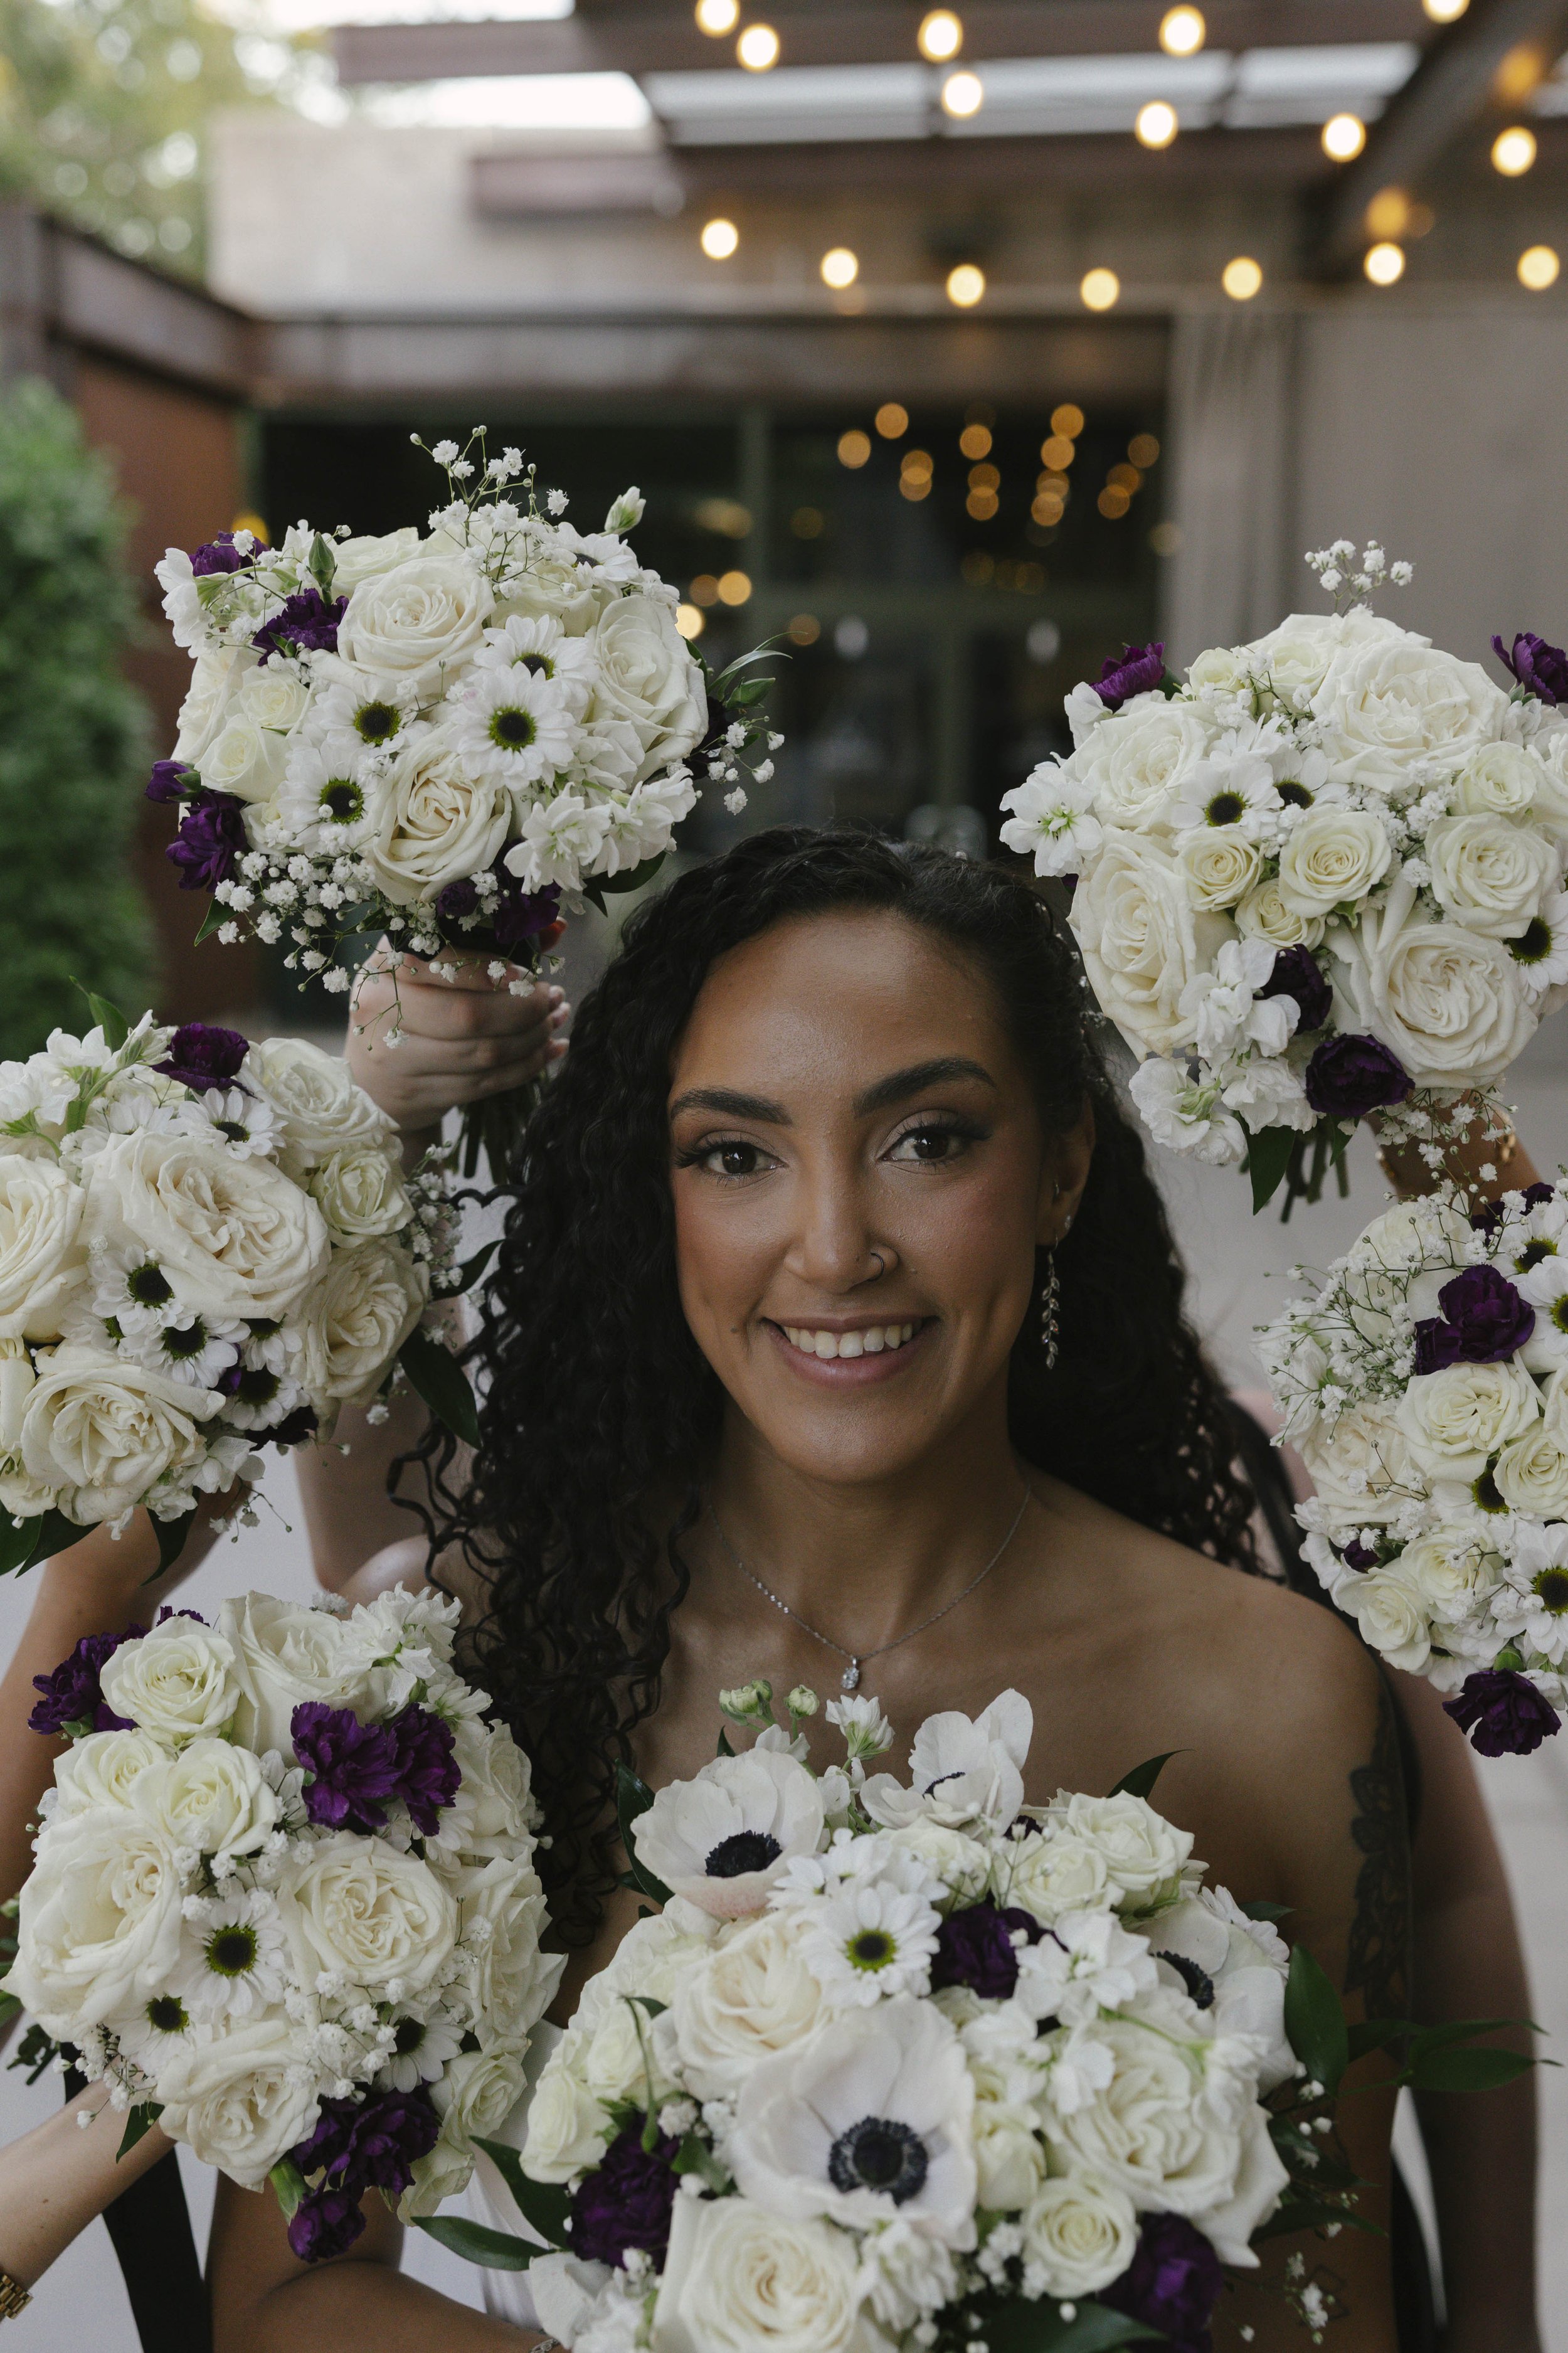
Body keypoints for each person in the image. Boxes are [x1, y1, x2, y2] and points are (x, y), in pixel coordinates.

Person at [209, 828, 1441, 2353]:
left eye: (926, 1139)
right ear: (652, 1198)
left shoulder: (1273, 1699)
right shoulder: (462, 1672)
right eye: (735, 1155)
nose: (834, 1246)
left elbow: (1329, 2313)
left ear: (1058, 1167)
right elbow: (281, 2291)